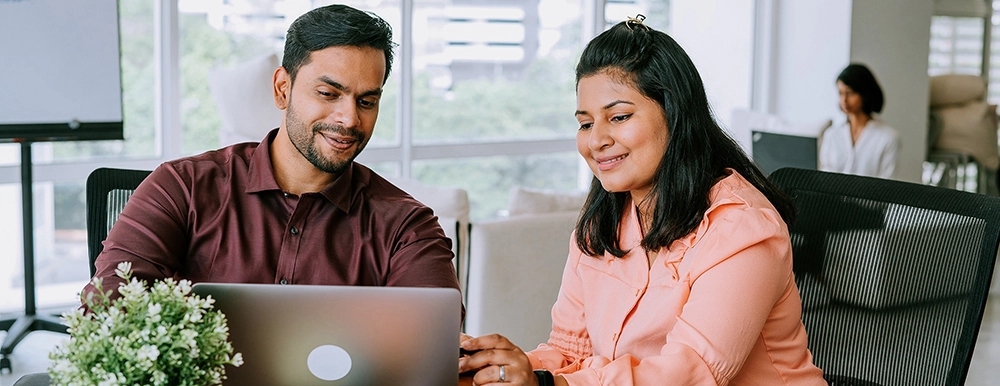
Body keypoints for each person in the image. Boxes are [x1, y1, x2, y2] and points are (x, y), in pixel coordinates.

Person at [458, 16, 826, 385]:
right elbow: (572, 353)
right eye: (585, 123)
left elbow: (690, 373)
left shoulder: (741, 230)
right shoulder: (601, 223)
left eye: (618, 117)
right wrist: (499, 369)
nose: (596, 140)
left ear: (675, 114)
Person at [82, 4, 460, 307]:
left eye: (367, 101)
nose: (349, 118)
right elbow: (106, 310)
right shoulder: (181, 187)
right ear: (283, 89)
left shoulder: (408, 227)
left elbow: (434, 353)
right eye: (328, 93)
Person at [819, 63, 900, 179]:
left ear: (864, 93)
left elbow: (886, 183)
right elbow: (824, 178)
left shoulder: (888, 138)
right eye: (840, 93)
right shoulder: (832, 135)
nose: (844, 100)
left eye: (850, 93)